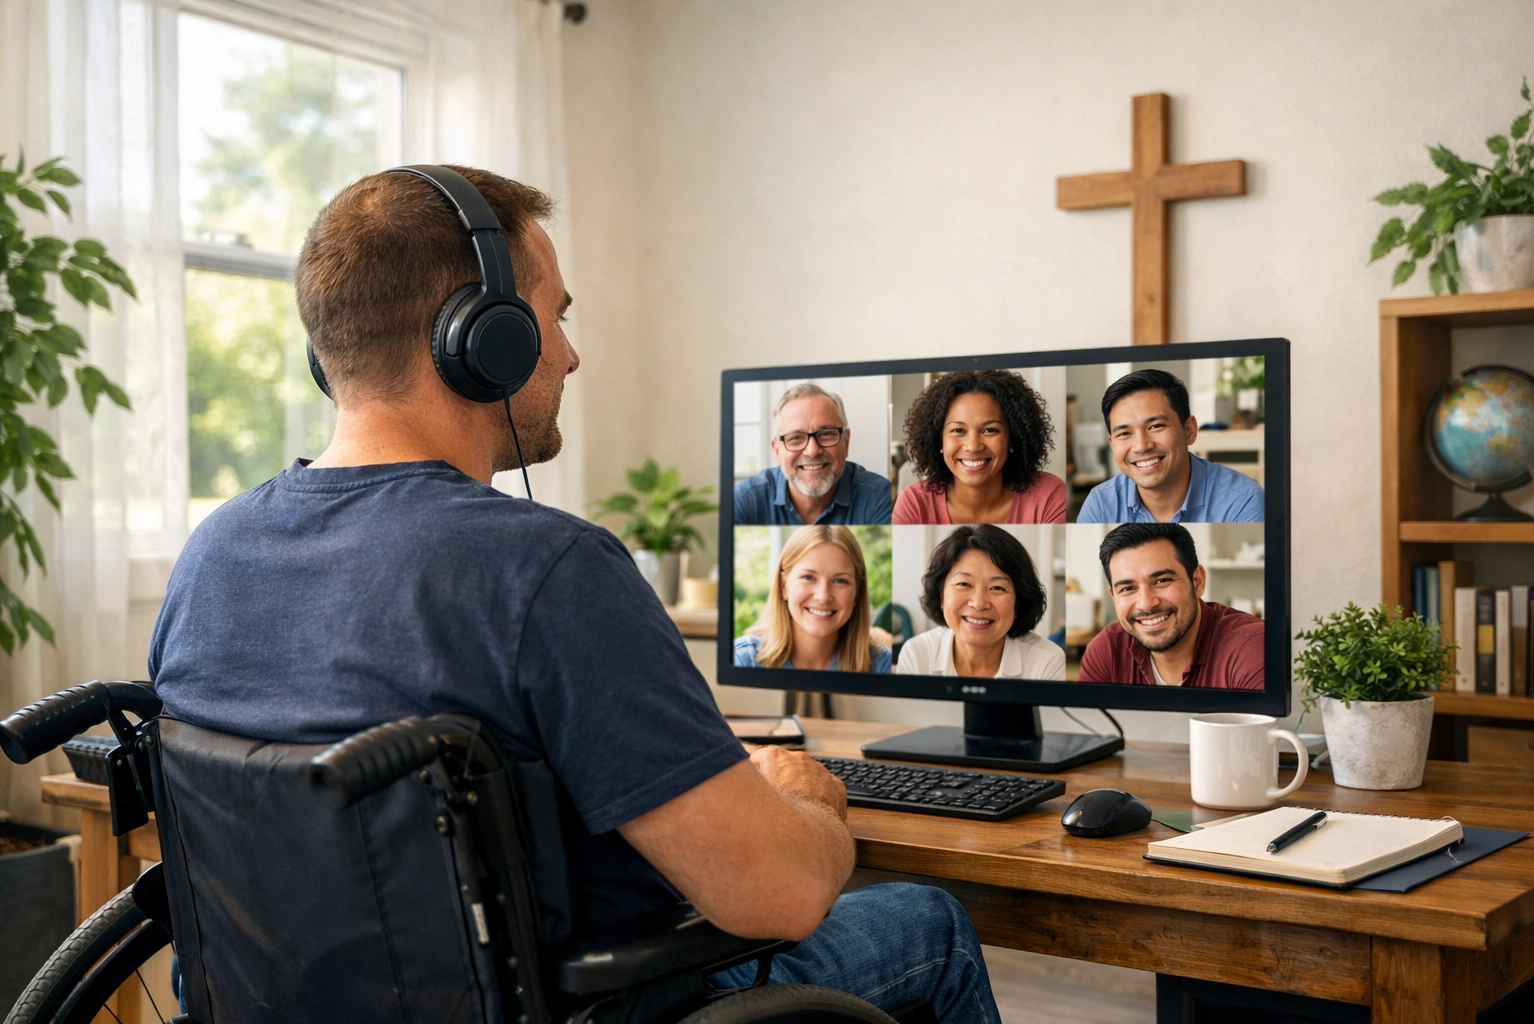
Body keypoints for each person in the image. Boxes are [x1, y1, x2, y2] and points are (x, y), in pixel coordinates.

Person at [149, 166, 996, 1022]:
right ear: (484, 339)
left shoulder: (211, 553)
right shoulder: (549, 569)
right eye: (553, 316)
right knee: (930, 920)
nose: (569, 351)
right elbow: (774, 897)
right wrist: (806, 800)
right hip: (591, 1004)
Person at [1077, 523, 1264, 690]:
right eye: (1128, 588)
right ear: (1114, 596)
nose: (1146, 603)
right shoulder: (1108, 649)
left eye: (1162, 580)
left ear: (1197, 581)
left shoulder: (1251, 648)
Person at [1077, 369, 1264, 524]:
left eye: (1156, 426)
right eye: (1124, 433)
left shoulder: (1243, 502)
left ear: (1189, 430)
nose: (1141, 446)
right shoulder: (1100, 504)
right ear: (1112, 444)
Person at [893, 370, 1065, 525]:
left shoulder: (1048, 496)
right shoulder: (914, 504)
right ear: (939, 441)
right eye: (958, 430)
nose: (973, 446)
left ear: (1013, 439)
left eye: (990, 430)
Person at [897, 525, 1064, 680]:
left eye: (997, 588)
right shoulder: (917, 655)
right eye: (964, 584)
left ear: (1018, 602)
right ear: (941, 596)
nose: (978, 603)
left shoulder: (1046, 662)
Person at [734, 525, 893, 673]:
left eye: (840, 581)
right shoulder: (745, 659)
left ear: (857, 592)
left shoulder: (879, 662)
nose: (823, 597)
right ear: (784, 586)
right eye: (808, 577)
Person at [734, 383, 893, 525]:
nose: (812, 451)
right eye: (795, 438)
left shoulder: (879, 496)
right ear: (777, 451)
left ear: (846, 441)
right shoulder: (746, 499)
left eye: (826, 434)